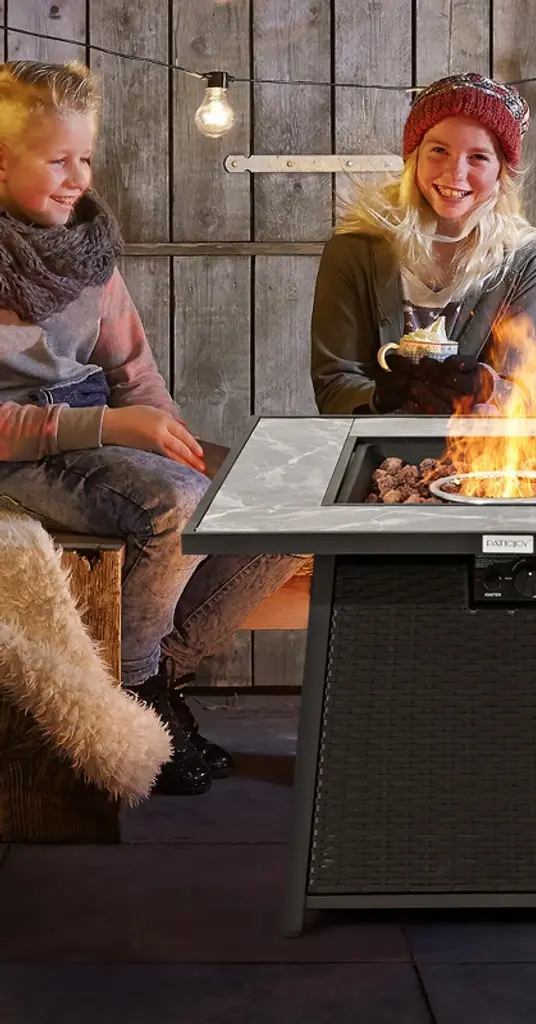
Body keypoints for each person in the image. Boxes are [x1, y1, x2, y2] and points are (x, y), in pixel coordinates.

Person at [0, 60, 303, 796]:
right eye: (58, 160)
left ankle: (161, 672)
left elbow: (132, 368)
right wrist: (115, 428)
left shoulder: (86, 250)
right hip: (22, 450)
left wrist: (167, 434)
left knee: (284, 492)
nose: (78, 179)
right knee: (175, 505)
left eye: (86, 158)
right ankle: (136, 695)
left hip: (99, 426)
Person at [311, 72, 536, 417]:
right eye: (439, 150)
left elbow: (526, 396)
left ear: (502, 172)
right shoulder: (353, 252)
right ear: (414, 157)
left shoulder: (527, 266)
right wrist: (379, 397)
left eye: (478, 157)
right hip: (378, 445)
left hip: (475, 447)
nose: (455, 173)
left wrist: (486, 389)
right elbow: (334, 385)